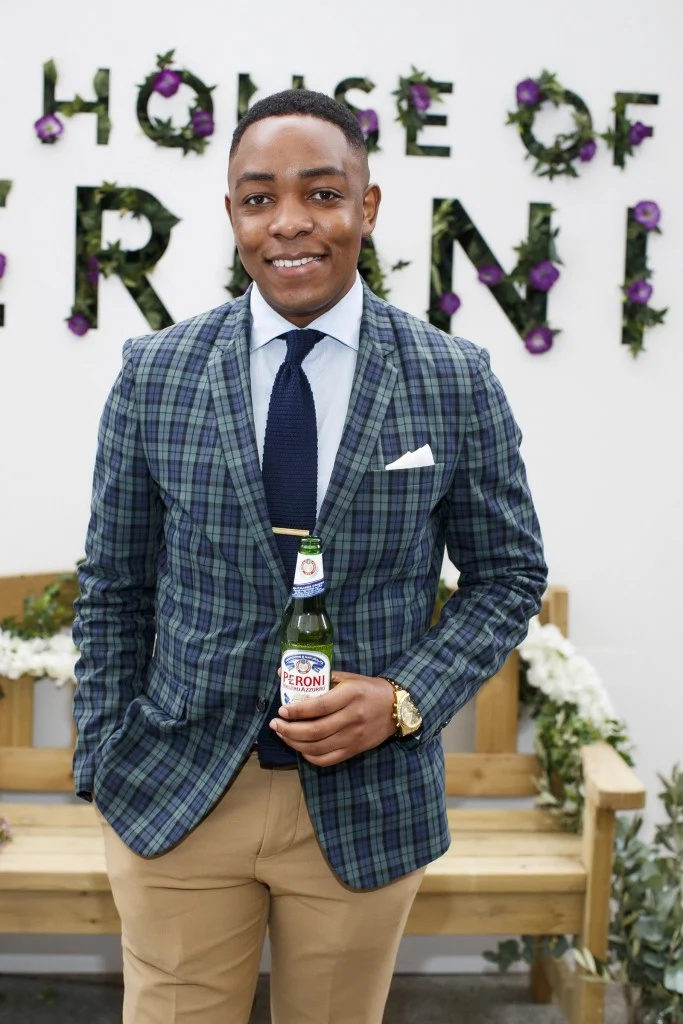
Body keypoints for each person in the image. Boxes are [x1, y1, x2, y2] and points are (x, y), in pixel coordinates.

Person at [73, 89, 547, 1024]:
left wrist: (405, 698)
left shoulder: (453, 378)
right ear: (232, 214)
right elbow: (114, 584)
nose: (289, 222)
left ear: (366, 207)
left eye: (321, 194)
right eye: (260, 198)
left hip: (365, 805)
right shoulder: (154, 373)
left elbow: (507, 577)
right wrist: (103, 757)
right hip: (176, 794)